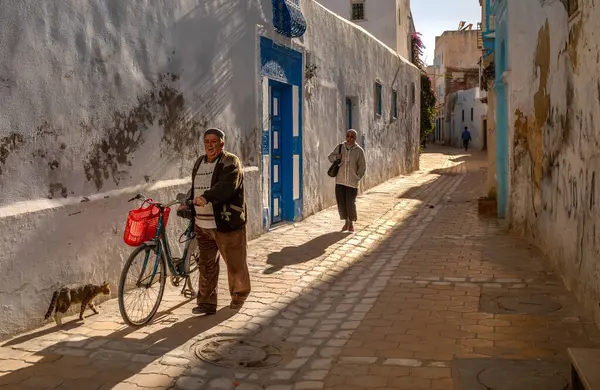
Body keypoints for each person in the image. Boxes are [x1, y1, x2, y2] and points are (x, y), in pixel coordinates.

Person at [185, 128, 251, 315]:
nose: (210, 145)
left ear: (222, 144)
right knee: (206, 264)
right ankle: (206, 302)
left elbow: (227, 187)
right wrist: (189, 202)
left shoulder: (231, 161)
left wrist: (206, 197)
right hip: (202, 223)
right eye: (207, 141)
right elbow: (196, 187)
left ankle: (239, 294)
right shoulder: (199, 161)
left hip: (225, 223)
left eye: (214, 141)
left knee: (234, 262)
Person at [328, 129, 366, 232]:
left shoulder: (359, 151)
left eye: (351, 136)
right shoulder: (340, 147)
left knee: (350, 203)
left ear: (355, 138)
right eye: (348, 136)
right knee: (341, 203)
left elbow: (362, 166)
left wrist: (357, 177)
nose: (349, 138)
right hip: (340, 181)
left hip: (352, 183)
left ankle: (351, 222)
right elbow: (330, 157)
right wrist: (337, 157)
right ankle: (345, 223)